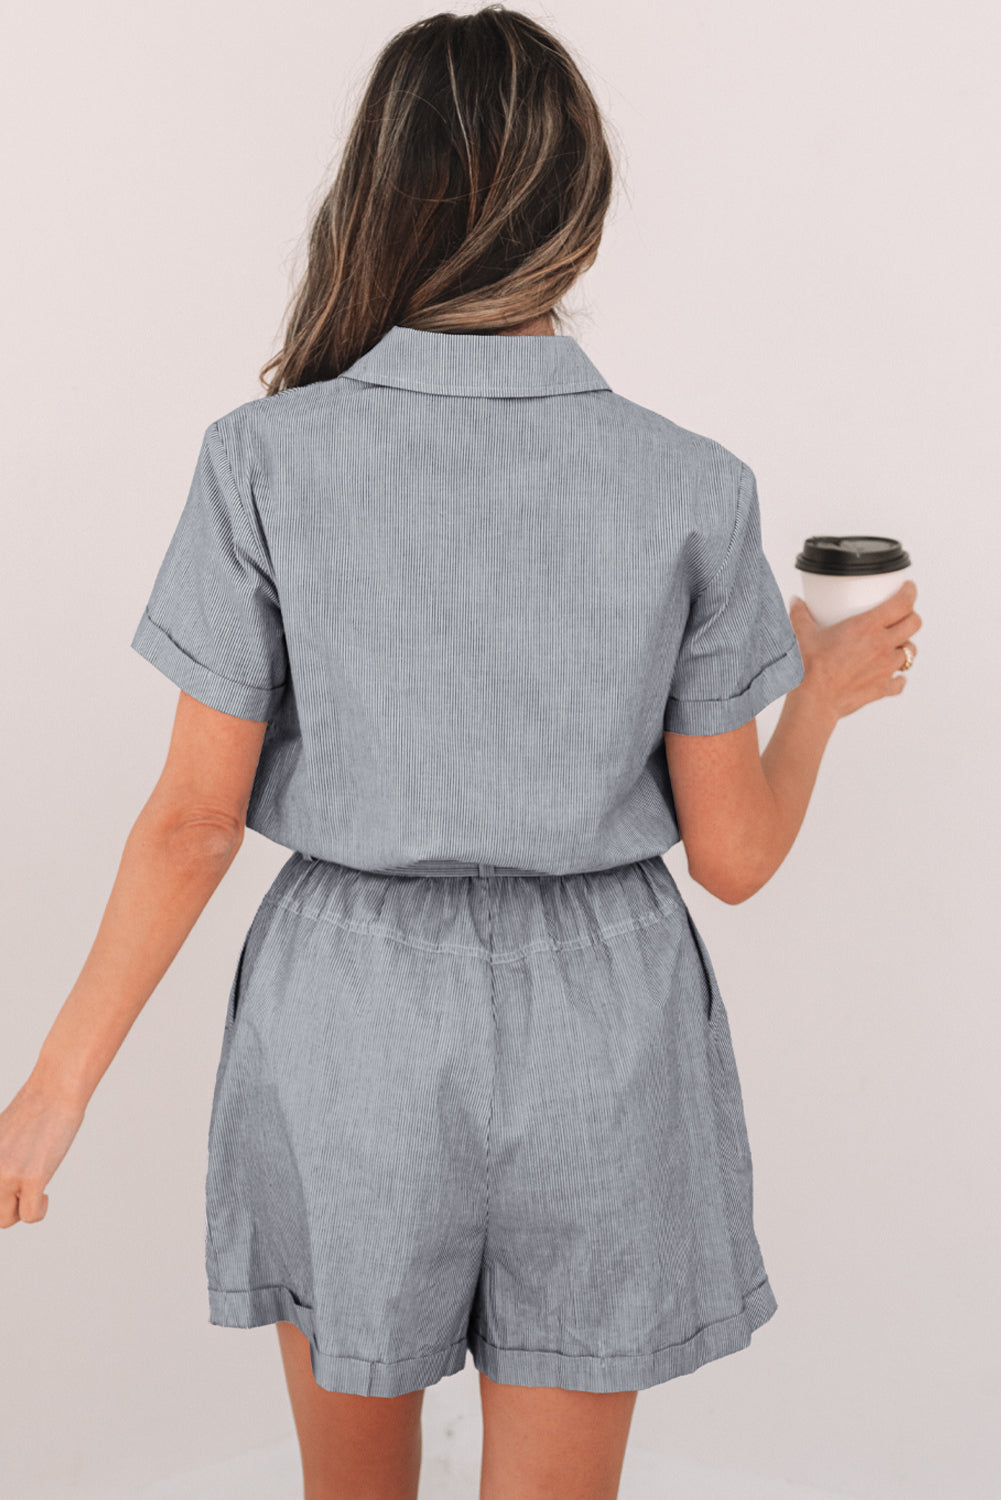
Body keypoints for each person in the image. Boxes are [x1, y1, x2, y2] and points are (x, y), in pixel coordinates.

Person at [0, 7, 922, 1500]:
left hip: (348, 1016)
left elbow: (192, 824)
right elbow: (736, 858)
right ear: (581, 208)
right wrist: (813, 698)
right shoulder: (692, 485)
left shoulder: (265, 458)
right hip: (605, 1027)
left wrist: (52, 1092)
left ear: (377, 193)